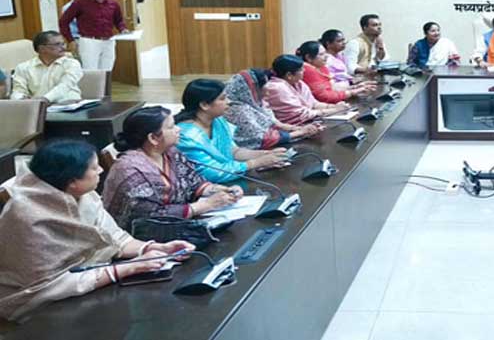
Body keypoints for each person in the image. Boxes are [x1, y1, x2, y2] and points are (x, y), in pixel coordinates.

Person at [0, 141, 195, 322]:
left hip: (91, 283)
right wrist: (128, 268)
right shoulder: (27, 216)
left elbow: (115, 238)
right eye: (94, 168)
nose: (101, 170)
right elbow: (48, 285)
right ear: (72, 180)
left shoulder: (83, 194)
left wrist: (153, 248)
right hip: (40, 309)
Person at [102, 106, 244, 230]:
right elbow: (149, 218)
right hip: (144, 241)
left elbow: (195, 183)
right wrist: (206, 205)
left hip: (180, 227)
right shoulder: (130, 170)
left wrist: (221, 191)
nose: (178, 129)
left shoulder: (171, 153)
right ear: (153, 138)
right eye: (171, 127)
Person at [176, 79, 290, 184]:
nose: (229, 102)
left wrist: (265, 155)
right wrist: (255, 163)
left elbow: (233, 152)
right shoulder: (186, 136)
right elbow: (211, 173)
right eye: (222, 98)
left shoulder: (217, 121)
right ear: (204, 105)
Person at [224, 69, 323, 150]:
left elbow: (275, 123)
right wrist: (300, 133)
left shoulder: (257, 103)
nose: (267, 93)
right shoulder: (237, 110)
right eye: (264, 88)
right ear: (252, 89)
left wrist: (300, 129)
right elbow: (261, 139)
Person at [58, 0, 127, 71]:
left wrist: (123, 29)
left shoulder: (113, 3)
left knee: (107, 71)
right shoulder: (79, 3)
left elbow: (119, 21)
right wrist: (70, 40)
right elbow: (63, 22)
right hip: (89, 42)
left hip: (109, 41)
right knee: (91, 71)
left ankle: (106, 82)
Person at [264, 54, 347, 125]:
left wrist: (336, 106)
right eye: (301, 69)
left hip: (307, 123)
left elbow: (313, 104)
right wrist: (335, 110)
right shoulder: (277, 87)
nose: (304, 70)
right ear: (289, 75)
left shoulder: (298, 83)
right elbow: (302, 115)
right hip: (290, 128)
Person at [9, 31, 83, 103]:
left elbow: (65, 85)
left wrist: (45, 99)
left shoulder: (72, 63)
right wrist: (20, 100)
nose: (63, 47)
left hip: (69, 105)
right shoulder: (23, 67)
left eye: (63, 43)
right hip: (38, 107)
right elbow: (18, 91)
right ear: (42, 48)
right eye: (57, 44)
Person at [298, 41, 375, 103]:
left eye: (325, 53)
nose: (326, 56)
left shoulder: (321, 66)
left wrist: (356, 87)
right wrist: (353, 92)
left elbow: (332, 88)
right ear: (308, 57)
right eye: (321, 54)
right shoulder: (307, 70)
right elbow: (325, 97)